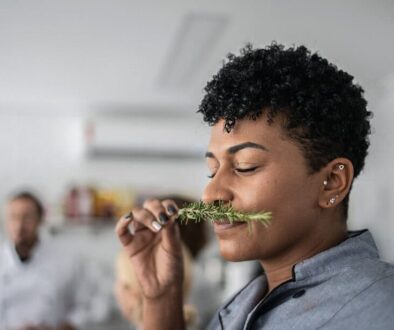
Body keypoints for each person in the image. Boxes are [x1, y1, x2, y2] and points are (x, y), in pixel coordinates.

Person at [115, 43, 394, 329]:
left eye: (245, 166)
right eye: (213, 171)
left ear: (332, 183)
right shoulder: (241, 306)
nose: (210, 195)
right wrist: (162, 300)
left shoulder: (379, 310)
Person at [0, 191, 94, 330]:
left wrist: (68, 326)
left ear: (40, 220)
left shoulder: (66, 260)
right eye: (13, 217)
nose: (19, 225)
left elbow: (89, 305)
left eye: (27, 218)